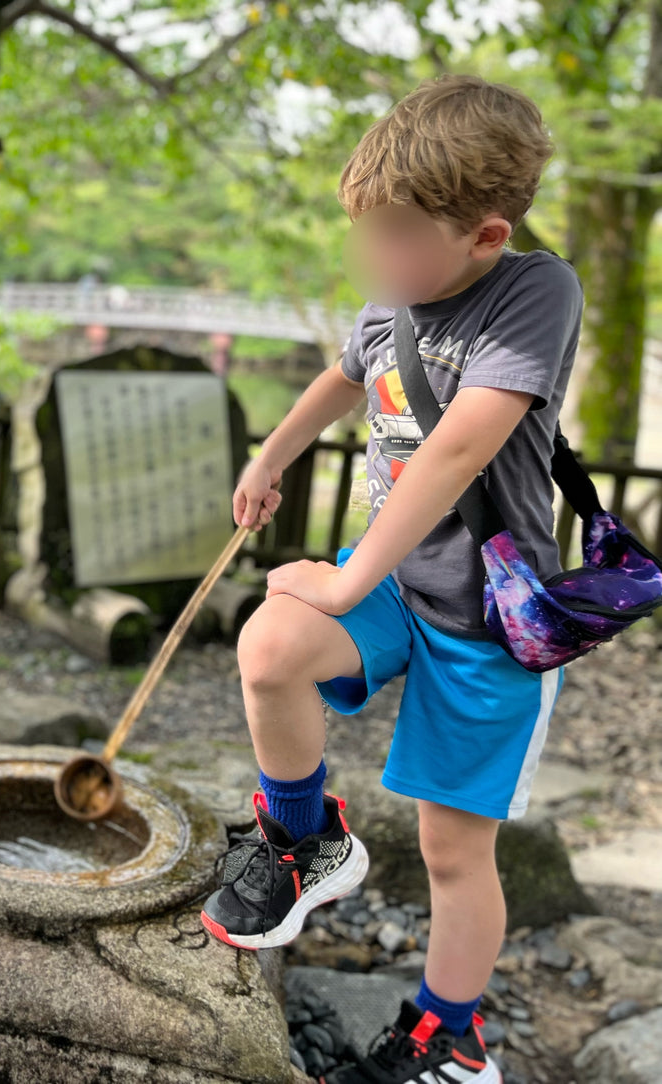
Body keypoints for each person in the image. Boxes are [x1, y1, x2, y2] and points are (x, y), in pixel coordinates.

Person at [200, 75, 579, 1084]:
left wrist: (339, 575)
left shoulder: (534, 293)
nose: (374, 263)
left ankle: (447, 1039)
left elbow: (455, 453)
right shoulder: (393, 297)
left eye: (395, 240)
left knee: (451, 851)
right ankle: (301, 836)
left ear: (485, 237)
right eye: (364, 236)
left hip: (490, 623)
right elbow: (342, 370)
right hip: (396, 588)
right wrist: (270, 454)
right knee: (268, 643)